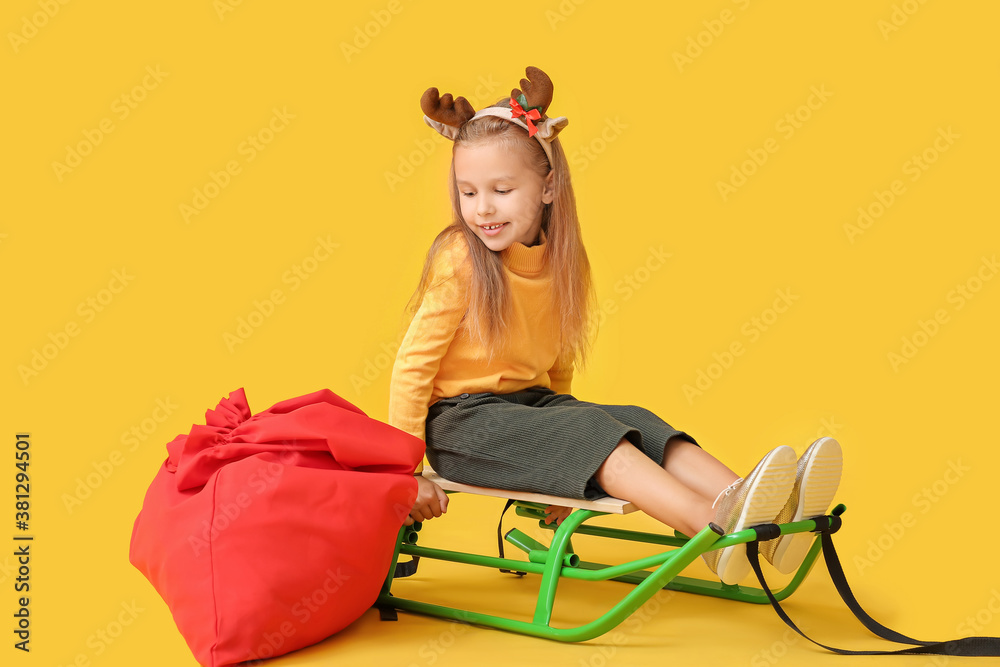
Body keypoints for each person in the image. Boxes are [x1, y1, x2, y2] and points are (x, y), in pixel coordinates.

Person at [388, 66, 842, 585]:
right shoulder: (461, 257)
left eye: (501, 189)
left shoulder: (559, 259)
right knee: (593, 437)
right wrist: (402, 471)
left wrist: (562, 470)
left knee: (636, 421)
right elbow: (413, 364)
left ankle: (768, 513)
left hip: (528, 409)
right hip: (461, 424)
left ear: (548, 187)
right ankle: (715, 532)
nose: (482, 209)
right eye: (468, 193)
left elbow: (556, 362)